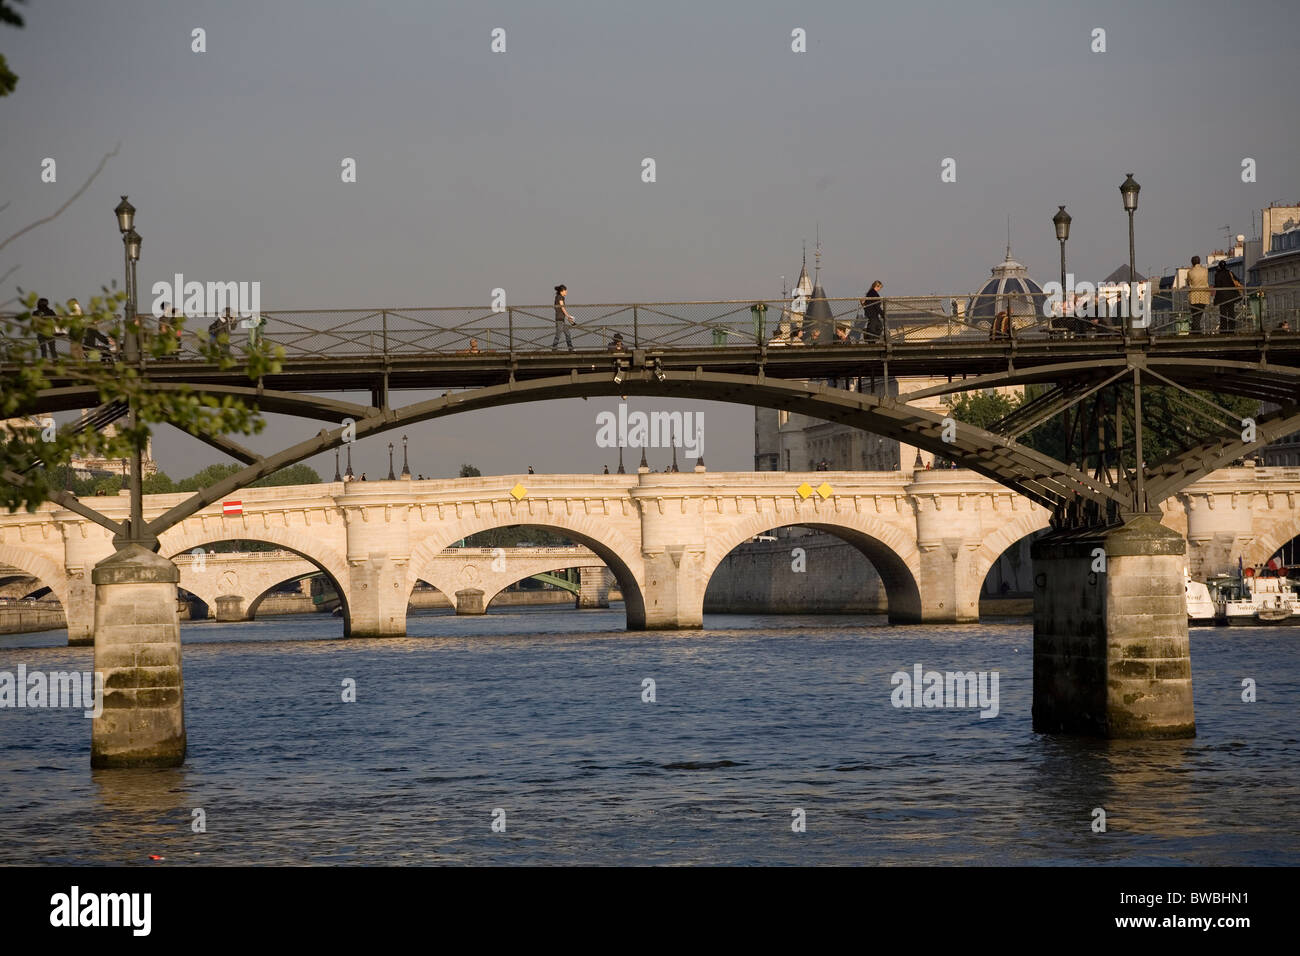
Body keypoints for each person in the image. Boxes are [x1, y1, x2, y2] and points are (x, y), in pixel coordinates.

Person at [1213, 261, 1242, 332]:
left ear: (1219, 266)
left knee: (1223, 314)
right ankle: (1232, 329)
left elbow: (1217, 285)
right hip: (1231, 296)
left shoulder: (1218, 274)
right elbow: (1237, 280)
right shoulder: (1229, 272)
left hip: (1222, 297)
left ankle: (1223, 329)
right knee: (1231, 313)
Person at [1186, 255, 1211, 333]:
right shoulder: (1205, 270)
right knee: (1200, 312)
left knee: (1194, 313)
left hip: (1194, 294)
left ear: (1192, 262)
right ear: (1199, 262)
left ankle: (1196, 329)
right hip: (1204, 293)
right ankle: (1195, 329)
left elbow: (1188, 282)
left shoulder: (1190, 272)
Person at [552, 284, 575, 351]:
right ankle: (554, 349)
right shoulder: (560, 297)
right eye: (565, 291)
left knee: (567, 333)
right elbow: (562, 307)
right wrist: (568, 316)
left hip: (562, 319)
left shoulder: (558, 297)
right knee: (558, 334)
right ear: (561, 291)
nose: (566, 292)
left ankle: (570, 348)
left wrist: (567, 317)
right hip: (559, 319)